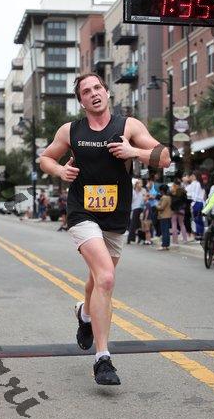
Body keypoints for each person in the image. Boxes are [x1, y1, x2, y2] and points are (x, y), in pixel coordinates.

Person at [39, 73, 170, 385]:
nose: (94, 93)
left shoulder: (129, 127)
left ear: (107, 93)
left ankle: (84, 314)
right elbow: (45, 158)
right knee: (107, 278)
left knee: (97, 278)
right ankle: (103, 359)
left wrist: (134, 152)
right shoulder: (70, 130)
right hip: (82, 212)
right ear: (81, 101)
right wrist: (59, 170)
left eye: (98, 87)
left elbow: (164, 157)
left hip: (116, 216)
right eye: (87, 91)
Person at [170, 179, 188, 244]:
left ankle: (175, 240)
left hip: (174, 210)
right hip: (181, 209)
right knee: (182, 224)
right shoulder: (183, 191)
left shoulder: (172, 192)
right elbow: (186, 201)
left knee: (174, 224)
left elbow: (171, 201)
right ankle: (185, 239)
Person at [188, 171, 205, 240]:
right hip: (200, 203)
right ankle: (201, 233)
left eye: (193, 176)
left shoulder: (195, 183)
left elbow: (193, 194)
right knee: (199, 219)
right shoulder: (200, 183)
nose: (192, 177)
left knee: (197, 219)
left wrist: (192, 204)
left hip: (196, 202)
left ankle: (198, 233)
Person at [127, 179, 145, 244]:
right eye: (139, 183)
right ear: (136, 184)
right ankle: (130, 238)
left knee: (140, 225)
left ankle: (141, 238)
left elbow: (145, 199)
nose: (141, 184)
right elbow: (130, 200)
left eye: (141, 183)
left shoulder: (143, 191)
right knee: (133, 224)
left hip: (142, 209)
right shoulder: (133, 191)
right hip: (135, 209)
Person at [156, 184, 172, 250]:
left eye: (160, 190)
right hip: (167, 215)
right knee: (166, 231)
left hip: (163, 216)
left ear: (162, 191)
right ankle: (166, 245)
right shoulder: (169, 197)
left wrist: (156, 206)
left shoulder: (164, 197)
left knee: (164, 231)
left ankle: (164, 245)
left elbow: (161, 207)